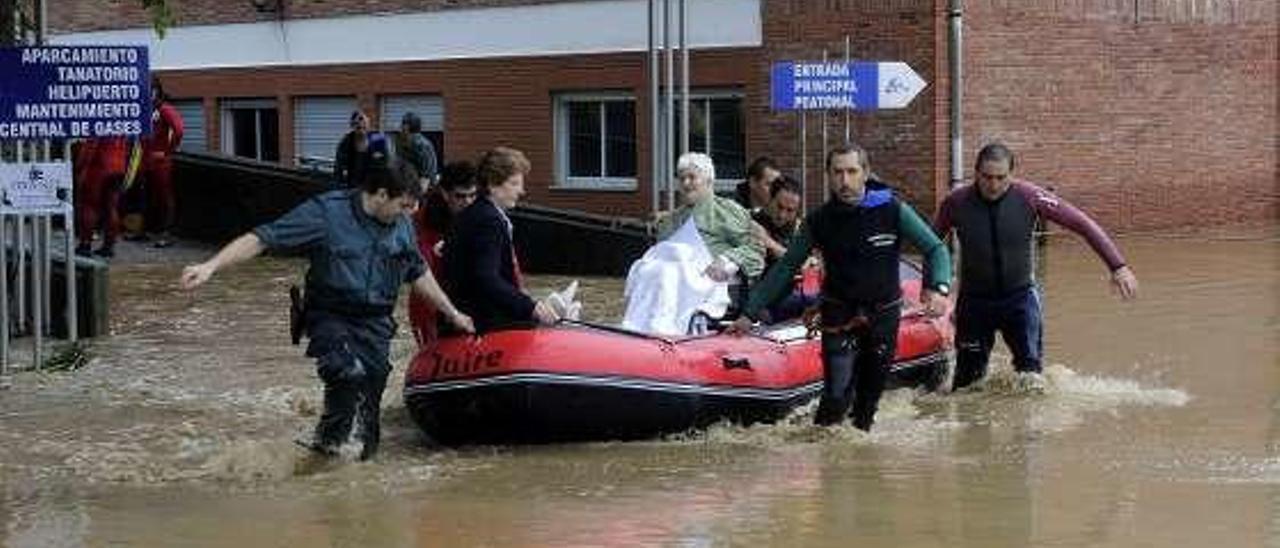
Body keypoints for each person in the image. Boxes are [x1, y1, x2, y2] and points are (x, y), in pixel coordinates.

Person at [179, 161, 474, 461]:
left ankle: (343, 462)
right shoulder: (327, 213)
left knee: (369, 406)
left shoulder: (402, 225)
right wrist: (211, 266)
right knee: (347, 372)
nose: (410, 213)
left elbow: (418, 272)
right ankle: (328, 447)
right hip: (330, 315)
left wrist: (452, 312)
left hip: (376, 322)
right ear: (382, 194)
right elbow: (263, 238)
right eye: (405, 205)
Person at [730, 143, 951, 431]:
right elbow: (785, 269)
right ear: (828, 176)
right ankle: (823, 456)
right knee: (835, 397)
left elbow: (935, 248)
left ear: (865, 173)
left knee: (867, 406)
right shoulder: (819, 221)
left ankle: (856, 470)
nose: (844, 181)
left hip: (883, 316)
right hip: (838, 317)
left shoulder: (892, 210)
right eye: (837, 173)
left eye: (851, 172)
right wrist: (749, 313)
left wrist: (938, 287)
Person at [934, 142, 1139, 391]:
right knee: (966, 384)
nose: (994, 185)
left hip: (1020, 300)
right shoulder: (956, 202)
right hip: (974, 303)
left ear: (1012, 174)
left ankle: (1028, 431)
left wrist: (1118, 266)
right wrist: (936, 287)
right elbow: (932, 244)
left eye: (1001, 178)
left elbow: (1083, 224)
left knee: (1031, 380)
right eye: (987, 177)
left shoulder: (1030, 196)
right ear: (976, 173)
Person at [444, 146, 558, 333]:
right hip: (481, 323)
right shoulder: (490, 222)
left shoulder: (472, 214)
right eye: (514, 183)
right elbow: (487, 278)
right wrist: (531, 306)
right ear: (492, 184)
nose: (521, 191)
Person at [408, 160, 478, 347]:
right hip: (431, 304)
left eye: (472, 195)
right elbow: (418, 266)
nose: (468, 202)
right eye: (460, 196)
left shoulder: (480, 215)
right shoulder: (422, 221)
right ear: (445, 194)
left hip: (468, 299)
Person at [750, 174, 814, 322]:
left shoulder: (800, 228)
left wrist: (768, 242)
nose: (782, 215)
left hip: (793, 299)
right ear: (770, 199)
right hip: (760, 303)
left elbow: (803, 263)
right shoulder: (753, 224)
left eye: (790, 210)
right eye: (779, 206)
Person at [142, 76, 185, 248]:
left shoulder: (165, 108)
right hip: (144, 160)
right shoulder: (144, 109)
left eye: (150, 89)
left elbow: (179, 130)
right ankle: (144, 230)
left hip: (160, 161)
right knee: (146, 196)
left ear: (157, 90)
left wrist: (168, 150)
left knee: (164, 197)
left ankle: (166, 234)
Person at [73, 136, 128, 258]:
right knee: (111, 207)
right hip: (119, 166)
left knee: (88, 205)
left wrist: (79, 166)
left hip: (97, 167)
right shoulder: (123, 120)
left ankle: (85, 244)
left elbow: (90, 147)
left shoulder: (100, 120)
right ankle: (109, 246)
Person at [394, 112, 439, 188]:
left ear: (407, 127)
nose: (400, 127)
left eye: (403, 124)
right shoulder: (407, 142)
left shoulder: (420, 144)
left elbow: (426, 174)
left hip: (423, 187)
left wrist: (419, 193)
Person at [333, 110, 373, 189]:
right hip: (354, 186)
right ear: (352, 126)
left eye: (364, 124)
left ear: (369, 124)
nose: (361, 127)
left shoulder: (377, 139)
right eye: (358, 126)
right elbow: (339, 166)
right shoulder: (346, 141)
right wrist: (339, 184)